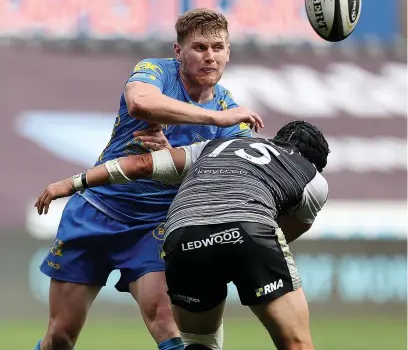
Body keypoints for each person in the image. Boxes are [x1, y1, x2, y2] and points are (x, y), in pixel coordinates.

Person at [34, 8, 264, 350]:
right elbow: (140, 103)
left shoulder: (233, 118)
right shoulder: (157, 72)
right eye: (199, 47)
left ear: (228, 52)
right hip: (96, 209)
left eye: (218, 47)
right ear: (178, 52)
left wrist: (172, 158)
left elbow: (228, 182)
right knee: (61, 335)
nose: (210, 56)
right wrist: (215, 118)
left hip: (153, 227)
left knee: (167, 322)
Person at [36, 120, 330, 350]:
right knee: (296, 343)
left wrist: (75, 182)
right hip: (249, 230)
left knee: (197, 345)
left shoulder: (214, 146)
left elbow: (142, 164)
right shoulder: (312, 177)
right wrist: (239, 257)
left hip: (182, 233)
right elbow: (284, 231)